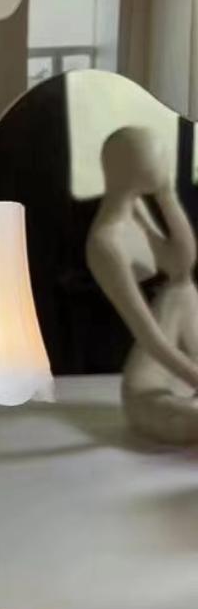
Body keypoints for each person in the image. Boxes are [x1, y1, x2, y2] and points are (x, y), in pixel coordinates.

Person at [87, 124, 198, 444]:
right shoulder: (106, 244)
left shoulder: (135, 209)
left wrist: (167, 195)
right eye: (159, 159)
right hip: (148, 390)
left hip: (183, 374)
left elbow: (180, 266)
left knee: (182, 288)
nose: (166, 165)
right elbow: (150, 338)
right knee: (187, 422)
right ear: (133, 168)